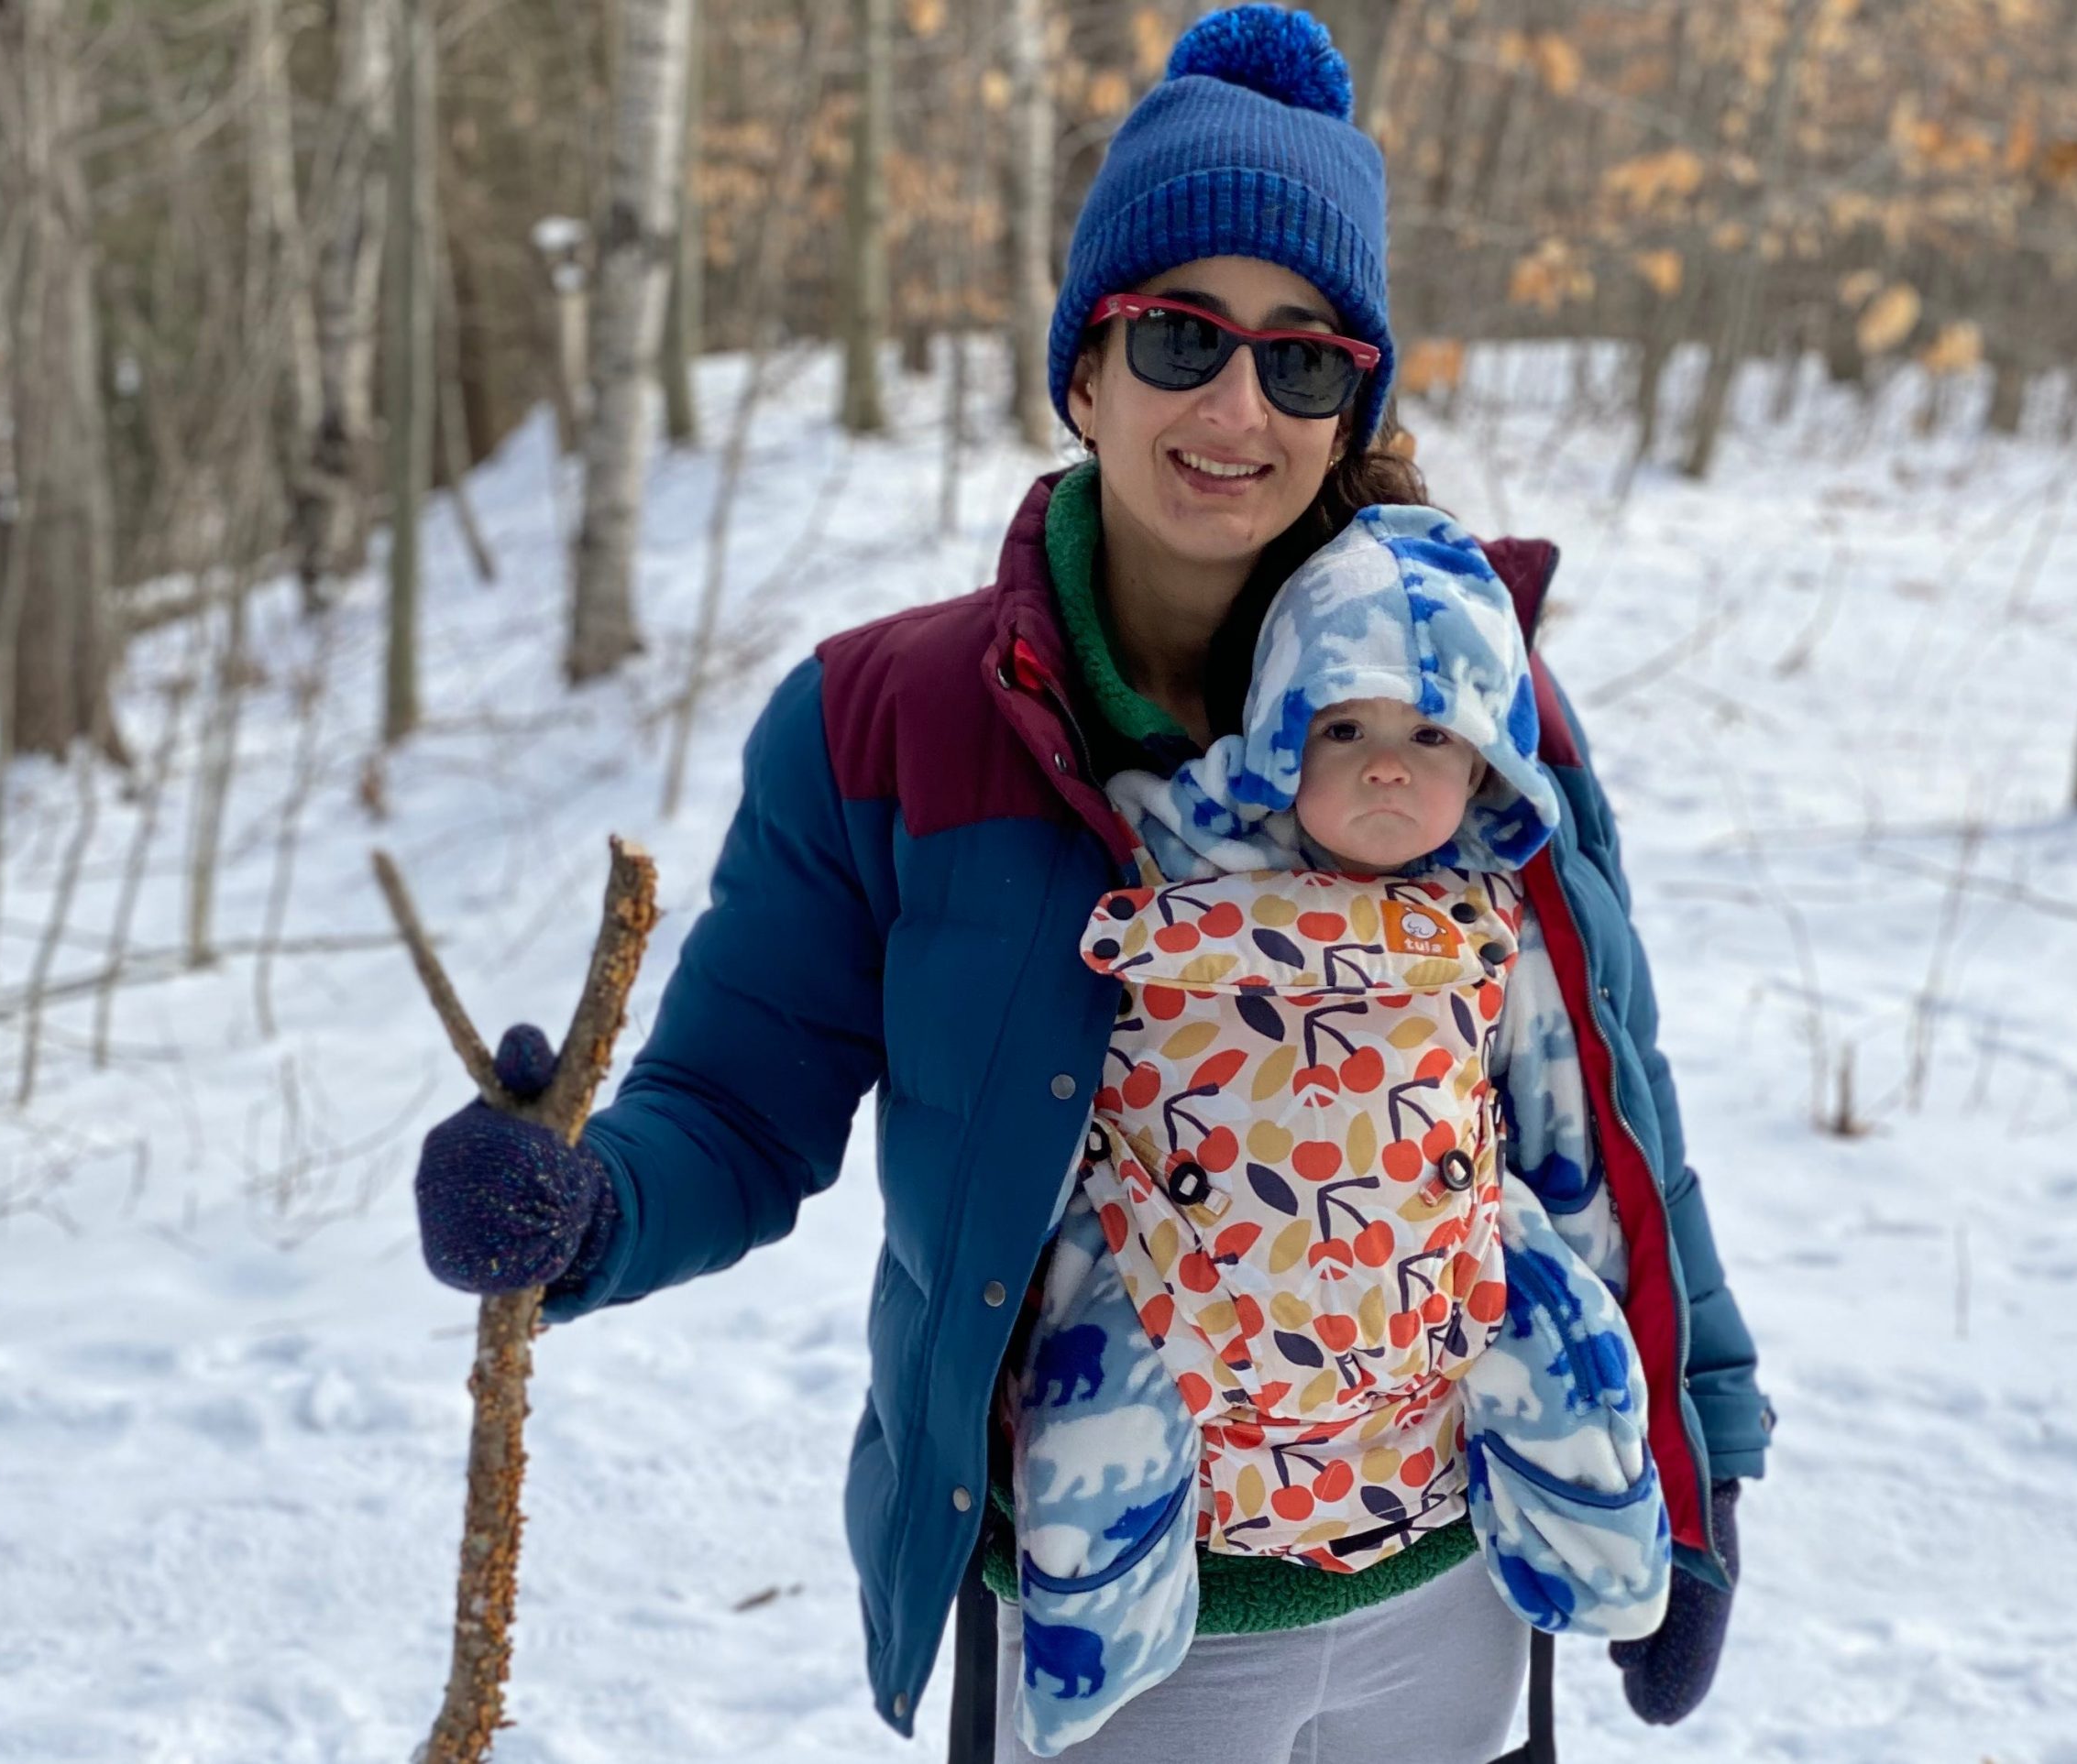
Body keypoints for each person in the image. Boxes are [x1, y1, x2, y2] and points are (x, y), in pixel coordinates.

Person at [412, 6, 1775, 1759]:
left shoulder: (1465, 701)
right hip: (1102, 1612)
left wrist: (1703, 1459)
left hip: (1453, 1592)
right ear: (1083, 367)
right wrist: (585, 1212)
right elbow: (739, 1111)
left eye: (1301, 359)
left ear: (1354, 396)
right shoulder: (881, 724)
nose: (1236, 405)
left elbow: (1607, 1098)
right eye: (1180, 337)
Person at [1000, 504, 1671, 1758]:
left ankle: (1613, 1550)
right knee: (1096, 1416)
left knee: (1569, 1343)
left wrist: (1671, 1416)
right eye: (1343, 726)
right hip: (1180, 1279)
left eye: (1433, 735)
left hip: (1435, 1301)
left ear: (1489, 766)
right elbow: (1029, 1107)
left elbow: (1568, 1127)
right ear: (1270, 740)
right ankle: (1095, 1641)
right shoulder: (1166, 865)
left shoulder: (1498, 921)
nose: (1384, 766)